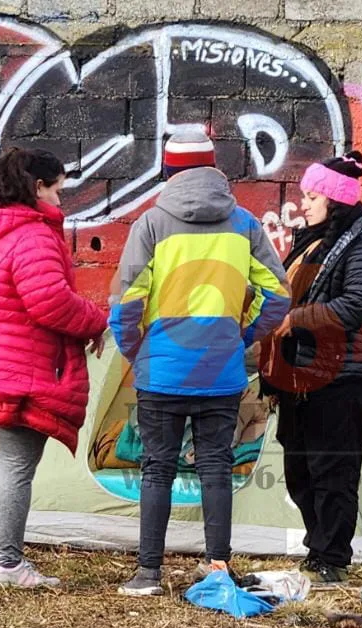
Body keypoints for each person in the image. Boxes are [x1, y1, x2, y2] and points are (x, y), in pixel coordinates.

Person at [110, 128, 290, 596]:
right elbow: (277, 294)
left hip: (162, 370)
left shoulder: (150, 225)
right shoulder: (245, 223)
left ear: (168, 171)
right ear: (214, 168)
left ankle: (149, 573)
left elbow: (126, 303)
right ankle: (217, 569)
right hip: (222, 370)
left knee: (157, 467)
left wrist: (138, 350)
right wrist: (241, 334)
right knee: (216, 466)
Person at [0, 147, 109, 589]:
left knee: (11, 449)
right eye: (58, 189)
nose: (61, 199)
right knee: (20, 462)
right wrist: (95, 319)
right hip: (22, 364)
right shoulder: (31, 235)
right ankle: (9, 563)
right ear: (38, 187)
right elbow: (49, 302)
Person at [259, 151, 362, 583]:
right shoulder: (309, 243)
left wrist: (293, 321)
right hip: (299, 376)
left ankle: (333, 558)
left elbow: (354, 307)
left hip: (341, 377)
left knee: (334, 470)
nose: (305, 203)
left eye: (313, 196)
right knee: (300, 468)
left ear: (334, 200)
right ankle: (317, 549)